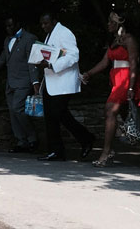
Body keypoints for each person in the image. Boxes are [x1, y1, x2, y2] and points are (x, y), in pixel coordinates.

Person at [81, 12, 140, 167]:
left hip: (126, 81)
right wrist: (89, 73)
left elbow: (133, 63)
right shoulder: (114, 41)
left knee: (110, 110)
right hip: (117, 80)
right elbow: (104, 62)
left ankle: (107, 152)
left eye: (111, 22)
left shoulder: (129, 39)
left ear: (118, 24)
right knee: (132, 118)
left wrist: (131, 87)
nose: (108, 24)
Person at [34, 12, 95, 161]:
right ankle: (56, 151)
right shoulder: (50, 35)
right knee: (50, 115)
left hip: (63, 81)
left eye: (46, 23)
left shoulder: (65, 33)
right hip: (51, 81)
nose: (43, 26)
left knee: (59, 112)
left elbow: (73, 56)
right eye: (42, 24)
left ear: (54, 21)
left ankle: (86, 138)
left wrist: (51, 65)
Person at [0, 17, 41, 152]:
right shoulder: (7, 40)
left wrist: (35, 82)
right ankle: (21, 142)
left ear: (18, 24)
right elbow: (3, 58)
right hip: (11, 83)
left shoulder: (29, 38)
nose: (8, 28)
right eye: (6, 26)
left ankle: (32, 139)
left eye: (10, 26)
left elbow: (32, 61)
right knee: (12, 112)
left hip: (24, 81)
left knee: (17, 108)